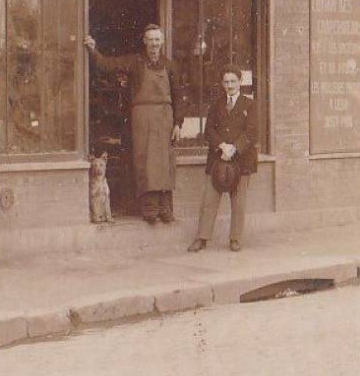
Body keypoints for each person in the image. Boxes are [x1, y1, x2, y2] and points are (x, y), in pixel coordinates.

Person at [84, 24, 182, 224]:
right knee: (145, 163)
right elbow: (107, 65)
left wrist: (178, 123)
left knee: (164, 163)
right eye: (150, 40)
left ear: (162, 42)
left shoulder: (170, 65)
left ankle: (165, 209)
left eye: (157, 40)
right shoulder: (135, 62)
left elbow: (178, 96)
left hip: (165, 118)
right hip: (142, 119)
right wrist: (93, 50)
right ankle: (150, 210)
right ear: (144, 42)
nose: (154, 44)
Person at [187, 65, 258, 253]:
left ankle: (235, 238)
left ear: (240, 82)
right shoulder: (216, 104)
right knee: (209, 199)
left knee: (238, 200)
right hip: (218, 158)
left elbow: (252, 133)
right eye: (226, 82)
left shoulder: (250, 105)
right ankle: (202, 238)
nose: (229, 85)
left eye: (233, 81)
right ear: (222, 83)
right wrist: (222, 146)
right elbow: (208, 131)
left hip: (241, 159)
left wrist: (234, 148)